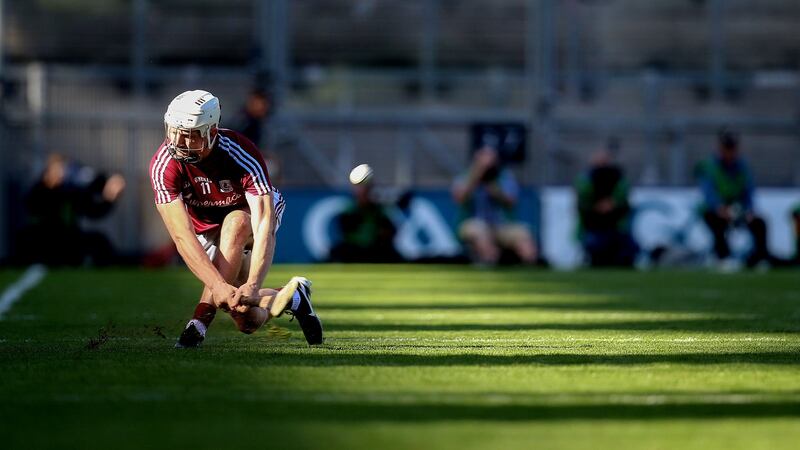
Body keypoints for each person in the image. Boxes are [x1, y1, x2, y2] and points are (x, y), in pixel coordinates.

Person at [149, 90, 322, 348]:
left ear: (212, 131)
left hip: (250, 214)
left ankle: (197, 325)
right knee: (246, 317)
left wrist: (253, 282)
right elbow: (181, 236)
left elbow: (264, 226)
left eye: (192, 135)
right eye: (175, 132)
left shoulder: (241, 153)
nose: (181, 142)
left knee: (236, 224)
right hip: (207, 230)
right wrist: (220, 286)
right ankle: (294, 298)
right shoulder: (163, 165)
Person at [18, 153, 126, 266]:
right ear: (49, 170)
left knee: (100, 242)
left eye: (64, 170)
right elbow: (33, 209)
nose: (62, 174)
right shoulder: (39, 191)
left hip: (69, 242)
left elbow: (93, 211)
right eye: (59, 169)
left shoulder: (72, 191)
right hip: (44, 241)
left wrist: (109, 197)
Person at [696, 129, 770, 270]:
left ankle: (760, 257)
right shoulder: (710, 166)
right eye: (727, 148)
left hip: (738, 209)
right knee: (716, 222)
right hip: (717, 210)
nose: (730, 152)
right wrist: (720, 208)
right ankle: (723, 257)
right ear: (720, 148)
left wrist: (749, 210)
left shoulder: (743, 167)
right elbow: (709, 193)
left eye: (732, 148)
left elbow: (748, 192)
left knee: (759, 223)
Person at [452, 146, 538, 266]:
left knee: (523, 232)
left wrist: (493, 186)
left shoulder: (504, 177)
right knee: (479, 229)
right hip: (472, 223)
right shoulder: (465, 176)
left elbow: (511, 202)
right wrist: (477, 175)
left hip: (500, 225)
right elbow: (459, 199)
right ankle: (490, 261)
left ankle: (530, 265)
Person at [574, 148, 638, 267]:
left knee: (629, 249)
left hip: (616, 228)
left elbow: (623, 201)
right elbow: (583, 204)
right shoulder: (585, 180)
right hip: (594, 228)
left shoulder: (618, 178)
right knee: (596, 247)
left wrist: (612, 204)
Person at [329, 177, 402, 263]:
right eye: (361, 191)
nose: (364, 194)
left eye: (367, 191)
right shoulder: (350, 210)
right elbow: (345, 229)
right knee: (336, 252)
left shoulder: (379, 211)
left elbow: (391, 231)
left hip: (376, 250)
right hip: (354, 250)